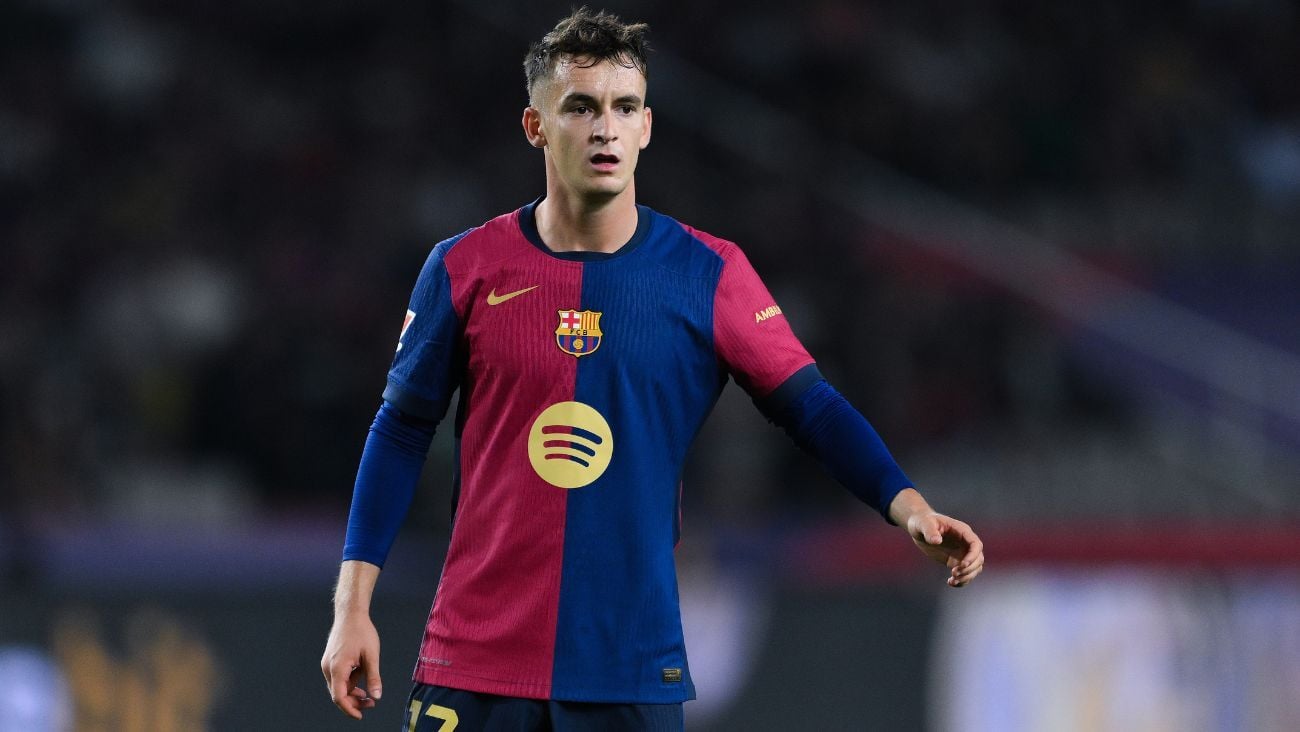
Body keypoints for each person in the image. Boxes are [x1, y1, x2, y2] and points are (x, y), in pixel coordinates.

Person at [321, 7, 984, 730]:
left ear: (645, 127)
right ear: (536, 126)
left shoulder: (708, 274)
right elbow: (400, 431)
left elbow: (813, 408)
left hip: (631, 672)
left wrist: (909, 508)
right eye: (581, 107)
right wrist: (352, 608)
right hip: (475, 664)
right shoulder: (464, 267)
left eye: (624, 107)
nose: (604, 128)